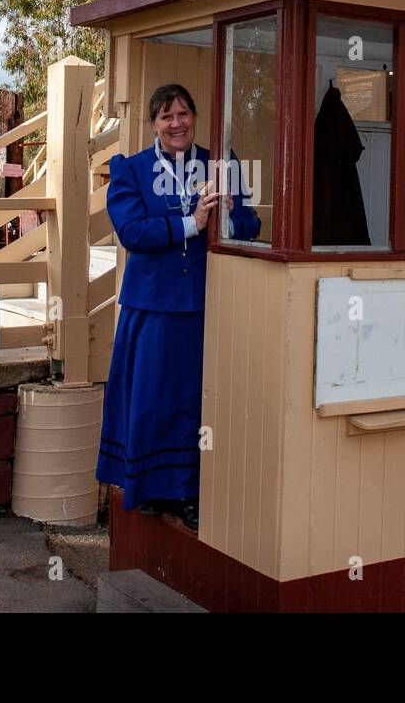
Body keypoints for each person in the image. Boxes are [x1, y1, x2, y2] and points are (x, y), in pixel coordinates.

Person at [96, 83, 261, 531]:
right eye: (167, 117)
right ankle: (149, 488)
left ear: (194, 118)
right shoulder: (129, 170)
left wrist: (228, 209)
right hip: (151, 309)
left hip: (205, 306)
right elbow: (133, 234)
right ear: (154, 123)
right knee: (152, 401)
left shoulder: (220, 164)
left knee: (193, 402)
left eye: (184, 114)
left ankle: (187, 489)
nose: (177, 124)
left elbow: (249, 226)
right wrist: (193, 222)